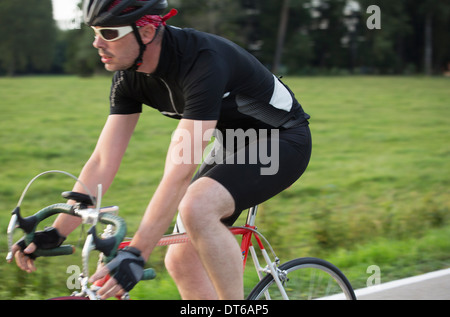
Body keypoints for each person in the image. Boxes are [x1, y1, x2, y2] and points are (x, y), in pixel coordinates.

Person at [9, 0, 311, 300]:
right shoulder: (129, 76)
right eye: (95, 32)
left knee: (197, 207)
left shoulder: (202, 62)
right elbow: (103, 160)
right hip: (231, 143)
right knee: (180, 260)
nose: (97, 43)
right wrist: (58, 231)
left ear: (148, 30)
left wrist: (138, 253)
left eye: (109, 33)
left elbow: (180, 171)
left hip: (282, 139)